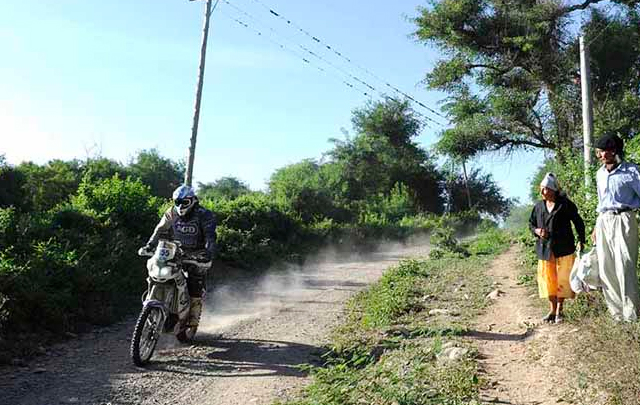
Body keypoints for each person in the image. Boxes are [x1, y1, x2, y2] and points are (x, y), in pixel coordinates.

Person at [139, 184, 217, 326]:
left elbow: (210, 237)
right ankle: (153, 305)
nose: (181, 206)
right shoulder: (172, 212)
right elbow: (160, 228)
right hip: (173, 250)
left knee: (195, 281)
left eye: (184, 202)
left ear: (193, 200)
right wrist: (150, 245)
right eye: (177, 202)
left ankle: (193, 318)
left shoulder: (204, 215)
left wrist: (208, 254)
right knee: (157, 271)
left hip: (197, 254)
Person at [591, 133, 640, 322]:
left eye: (604, 151)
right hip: (604, 221)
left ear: (614, 151)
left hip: (624, 220)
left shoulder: (632, 172)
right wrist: (597, 227)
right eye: (599, 151)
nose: (601, 155)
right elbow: (601, 202)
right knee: (606, 268)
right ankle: (617, 314)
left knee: (625, 266)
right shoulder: (600, 174)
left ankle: (631, 314)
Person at [530, 173, 586, 324]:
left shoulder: (565, 204)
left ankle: (560, 310)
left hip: (564, 248)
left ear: (553, 190)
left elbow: (578, 222)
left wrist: (582, 239)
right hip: (545, 249)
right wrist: (537, 231)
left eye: (546, 189)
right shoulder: (538, 206)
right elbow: (531, 224)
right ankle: (552, 310)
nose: (542, 192)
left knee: (562, 279)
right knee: (548, 281)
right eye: (541, 189)